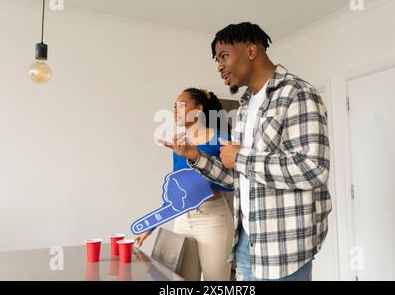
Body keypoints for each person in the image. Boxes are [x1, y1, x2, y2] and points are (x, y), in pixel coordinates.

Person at [164, 22, 332, 281]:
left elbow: (313, 169)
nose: (219, 66)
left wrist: (240, 157)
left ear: (251, 50)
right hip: (245, 243)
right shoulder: (244, 107)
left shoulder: (297, 94)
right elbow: (238, 177)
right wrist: (196, 157)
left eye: (224, 56)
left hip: (284, 249)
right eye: (217, 59)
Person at [134, 88, 234, 281]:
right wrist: (151, 224)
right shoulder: (179, 144)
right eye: (174, 106)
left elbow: (233, 182)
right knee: (181, 282)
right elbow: (178, 191)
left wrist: (199, 162)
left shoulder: (221, 137)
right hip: (182, 220)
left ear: (198, 109)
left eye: (182, 105)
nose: (176, 111)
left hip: (212, 219)